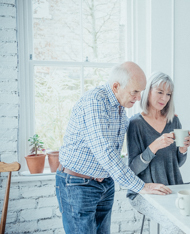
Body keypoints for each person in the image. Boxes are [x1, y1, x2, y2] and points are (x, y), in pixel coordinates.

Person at [56, 62, 172, 234]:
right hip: (78, 184)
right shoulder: (95, 101)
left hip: (105, 184)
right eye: (135, 92)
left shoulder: (119, 107)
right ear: (116, 86)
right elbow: (105, 152)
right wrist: (140, 186)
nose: (139, 97)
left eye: (141, 92)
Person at [127, 72, 190, 234]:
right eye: (160, 92)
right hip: (145, 192)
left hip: (172, 187)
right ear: (148, 91)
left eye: (168, 94)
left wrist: (183, 150)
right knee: (176, 227)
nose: (165, 98)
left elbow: (177, 164)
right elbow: (132, 169)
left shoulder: (174, 121)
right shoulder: (135, 124)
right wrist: (154, 146)